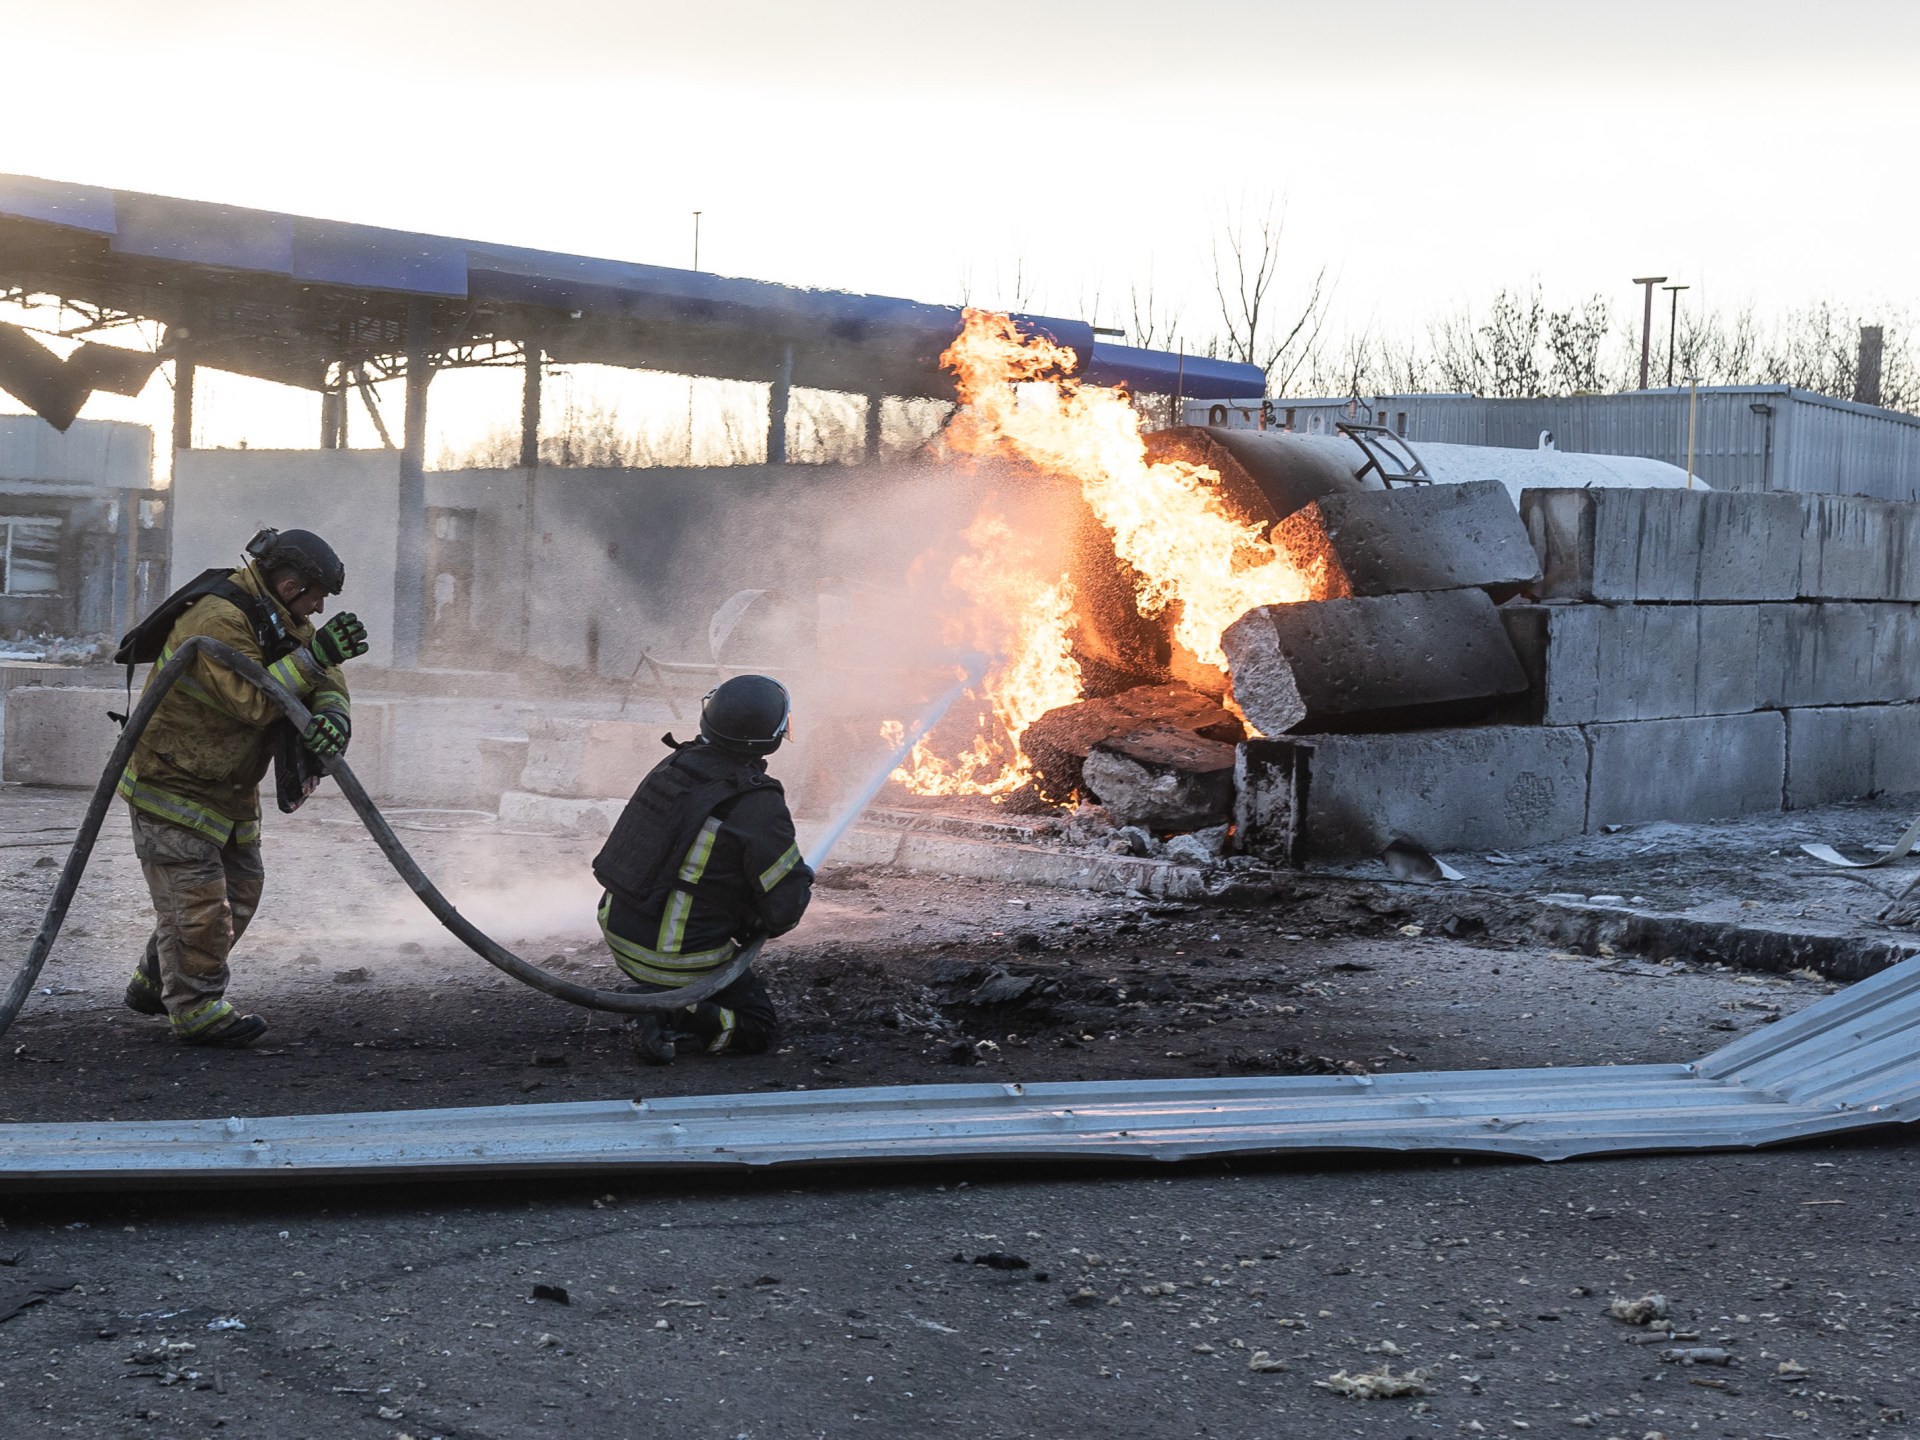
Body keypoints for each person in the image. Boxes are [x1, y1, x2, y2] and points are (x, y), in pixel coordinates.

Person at [119, 529, 369, 1047]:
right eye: (318, 596)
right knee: (199, 904)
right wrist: (316, 657)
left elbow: (326, 678)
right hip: (174, 781)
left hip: (229, 784)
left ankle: (155, 982)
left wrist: (332, 717)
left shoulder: (280, 614)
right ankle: (196, 1009)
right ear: (290, 584)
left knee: (240, 893)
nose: (319, 609)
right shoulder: (218, 618)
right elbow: (251, 699)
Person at [592, 674, 813, 1064]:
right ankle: (668, 1012)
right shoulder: (759, 803)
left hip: (619, 934)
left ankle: (660, 999)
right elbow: (783, 914)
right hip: (672, 961)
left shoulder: (676, 763)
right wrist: (795, 883)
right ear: (772, 738)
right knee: (756, 1028)